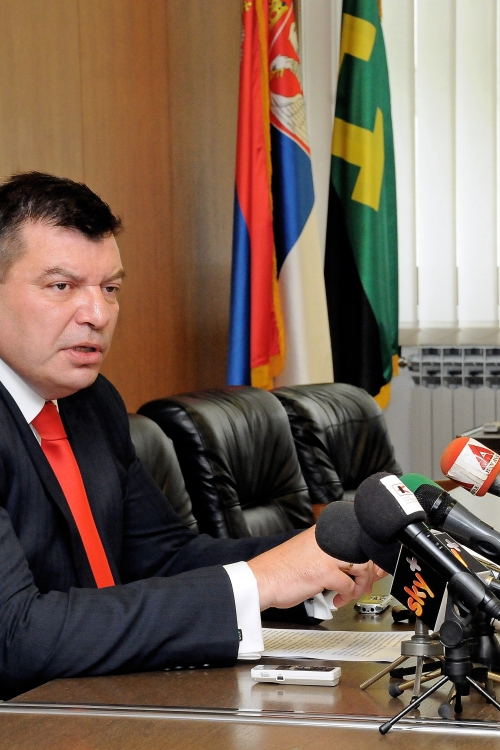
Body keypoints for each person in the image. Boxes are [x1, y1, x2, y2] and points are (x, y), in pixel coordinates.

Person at [0, 172, 381, 698]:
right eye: (61, 287)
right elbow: (15, 638)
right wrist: (257, 582)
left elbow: (163, 560)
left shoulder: (91, 403)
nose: (97, 315)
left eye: (110, 289)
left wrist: (315, 554)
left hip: (102, 698)